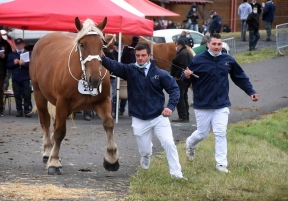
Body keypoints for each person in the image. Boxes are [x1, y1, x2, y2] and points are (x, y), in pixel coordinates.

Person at [101, 41, 186, 180]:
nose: (140, 58)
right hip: (139, 118)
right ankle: (146, 156)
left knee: (169, 143)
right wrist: (100, 57)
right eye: (138, 55)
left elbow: (174, 89)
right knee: (145, 150)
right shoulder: (130, 70)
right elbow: (114, 66)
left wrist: (170, 107)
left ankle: (177, 174)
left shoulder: (160, 73)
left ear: (149, 56)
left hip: (159, 117)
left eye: (143, 55)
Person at [181, 33, 259, 173]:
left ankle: (221, 164)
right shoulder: (198, 60)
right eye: (214, 44)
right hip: (202, 104)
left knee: (220, 132)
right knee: (202, 133)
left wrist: (251, 91)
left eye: (219, 44)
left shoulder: (228, 60)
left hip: (221, 104)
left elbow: (239, 77)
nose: (217, 47)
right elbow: (185, 78)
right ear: (208, 44)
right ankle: (190, 144)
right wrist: (185, 76)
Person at [6, 38, 32, 117]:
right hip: (16, 77)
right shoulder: (12, 54)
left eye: (20, 45)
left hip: (25, 77)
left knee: (27, 94)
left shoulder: (28, 53)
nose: (19, 46)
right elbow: (8, 65)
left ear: (23, 44)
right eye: (17, 45)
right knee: (17, 94)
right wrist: (14, 63)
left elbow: (32, 65)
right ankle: (19, 110)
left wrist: (24, 64)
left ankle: (27, 110)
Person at [170, 39, 193, 123]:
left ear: (179, 45)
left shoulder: (183, 54)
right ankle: (185, 115)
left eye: (176, 45)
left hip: (181, 79)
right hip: (184, 79)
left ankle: (183, 116)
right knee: (184, 96)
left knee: (180, 97)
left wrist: (178, 76)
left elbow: (183, 67)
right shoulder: (186, 52)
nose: (175, 47)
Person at [118, 36, 139, 115]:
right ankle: (132, 110)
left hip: (127, 72)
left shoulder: (127, 48)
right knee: (133, 93)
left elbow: (122, 60)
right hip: (136, 73)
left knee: (124, 91)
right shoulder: (139, 49)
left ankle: (121, 109)